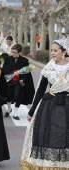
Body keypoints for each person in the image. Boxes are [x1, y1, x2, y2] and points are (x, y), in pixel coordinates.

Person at [20, 38, 69, 170]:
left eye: (55, 51)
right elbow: (40, 90)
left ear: (64, 52)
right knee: (47, 136)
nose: (52, 53)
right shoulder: (49, 68)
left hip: (66, 107)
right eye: (51, 50)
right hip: (49, 106)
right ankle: (48, 166)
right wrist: (31, 111)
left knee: (63, 137)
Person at [0, 44, 35, 119]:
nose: (13, 54)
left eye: (15, 52)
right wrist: (12, 72)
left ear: (19, 52)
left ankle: (15, 113)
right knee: (8, 96)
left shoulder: (24, 61)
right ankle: (9, 109)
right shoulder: (8, 58)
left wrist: (22, 77)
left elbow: (27, 72)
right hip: (9, 81)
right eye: (12, 52)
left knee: (17, 96)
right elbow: (4, 69)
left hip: (18, 82)